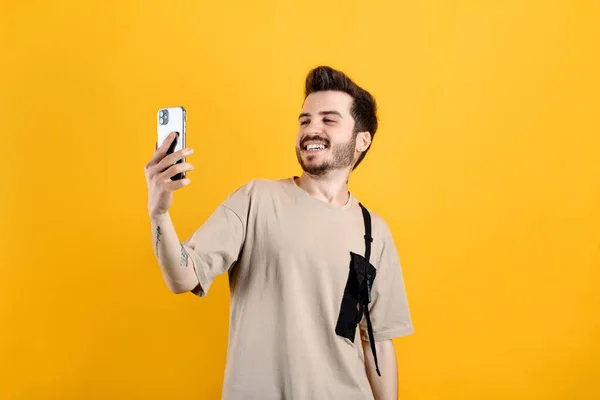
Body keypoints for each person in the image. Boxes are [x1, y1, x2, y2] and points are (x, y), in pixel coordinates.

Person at [144, 66, 414, 400]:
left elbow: (377, 344)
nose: (311, 129)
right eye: (305, 120)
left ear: (362, 140)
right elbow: (183, 278)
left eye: (329, 120)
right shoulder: (256, 199)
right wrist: (159, 213)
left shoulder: (374, 231)